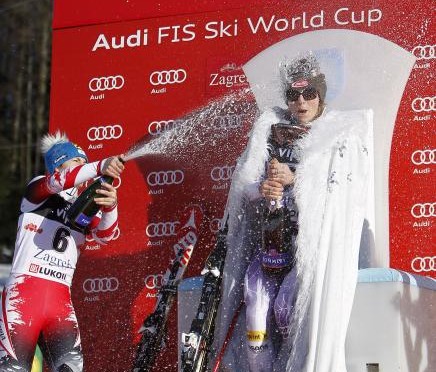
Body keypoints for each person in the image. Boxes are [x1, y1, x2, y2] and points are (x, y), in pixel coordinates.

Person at [212, 52, 372, 372]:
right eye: (293, 95)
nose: (301, 102)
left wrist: (295, 179)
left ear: (320, 95)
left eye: (309, 93)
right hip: (271, 249)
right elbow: (245, 187)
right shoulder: (270, 125)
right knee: (256, 320)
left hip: (308, 258)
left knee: (289, 312)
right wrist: (264, 188)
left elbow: (342, 190)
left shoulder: (340, 130)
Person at [0, 131, 125, 372]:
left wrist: (111, 206)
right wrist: (101, 166)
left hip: (60, 301)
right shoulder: (37, 191)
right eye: (78, 160)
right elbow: (59, 181)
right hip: (23, 297)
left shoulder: (83, 207)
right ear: (59, 164)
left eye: (85, 161)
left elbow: (104, 235)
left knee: (72, 368)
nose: (84, 165)